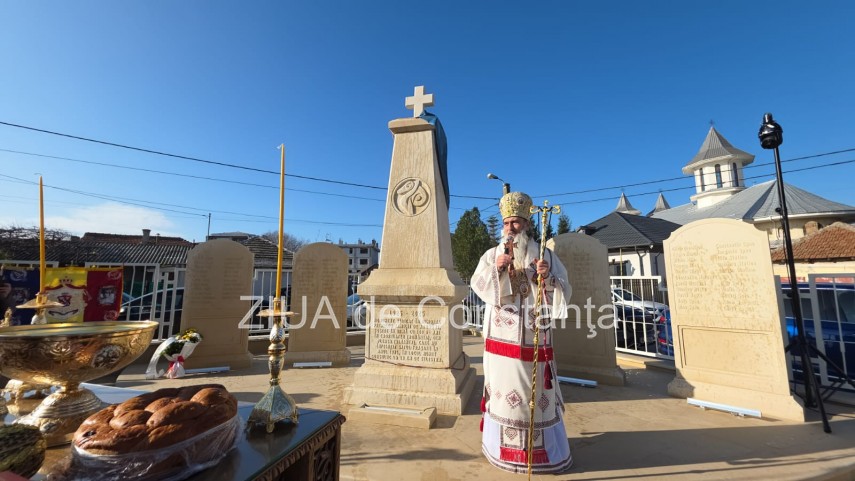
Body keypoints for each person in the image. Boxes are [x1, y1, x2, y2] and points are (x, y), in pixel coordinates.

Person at [470, 190, 573, 474]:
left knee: (537, 394)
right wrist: (496, 271)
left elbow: (564, 292)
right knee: (505, 397)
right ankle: (501, 450)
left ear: (527, 224)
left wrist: (548, 278)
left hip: (535, 340)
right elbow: (478, 286)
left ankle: (543, 454)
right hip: (501, 346)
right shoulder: (492, 254)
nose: (511, 228)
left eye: (516, 222)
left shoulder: (544, 255)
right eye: (507, 223)